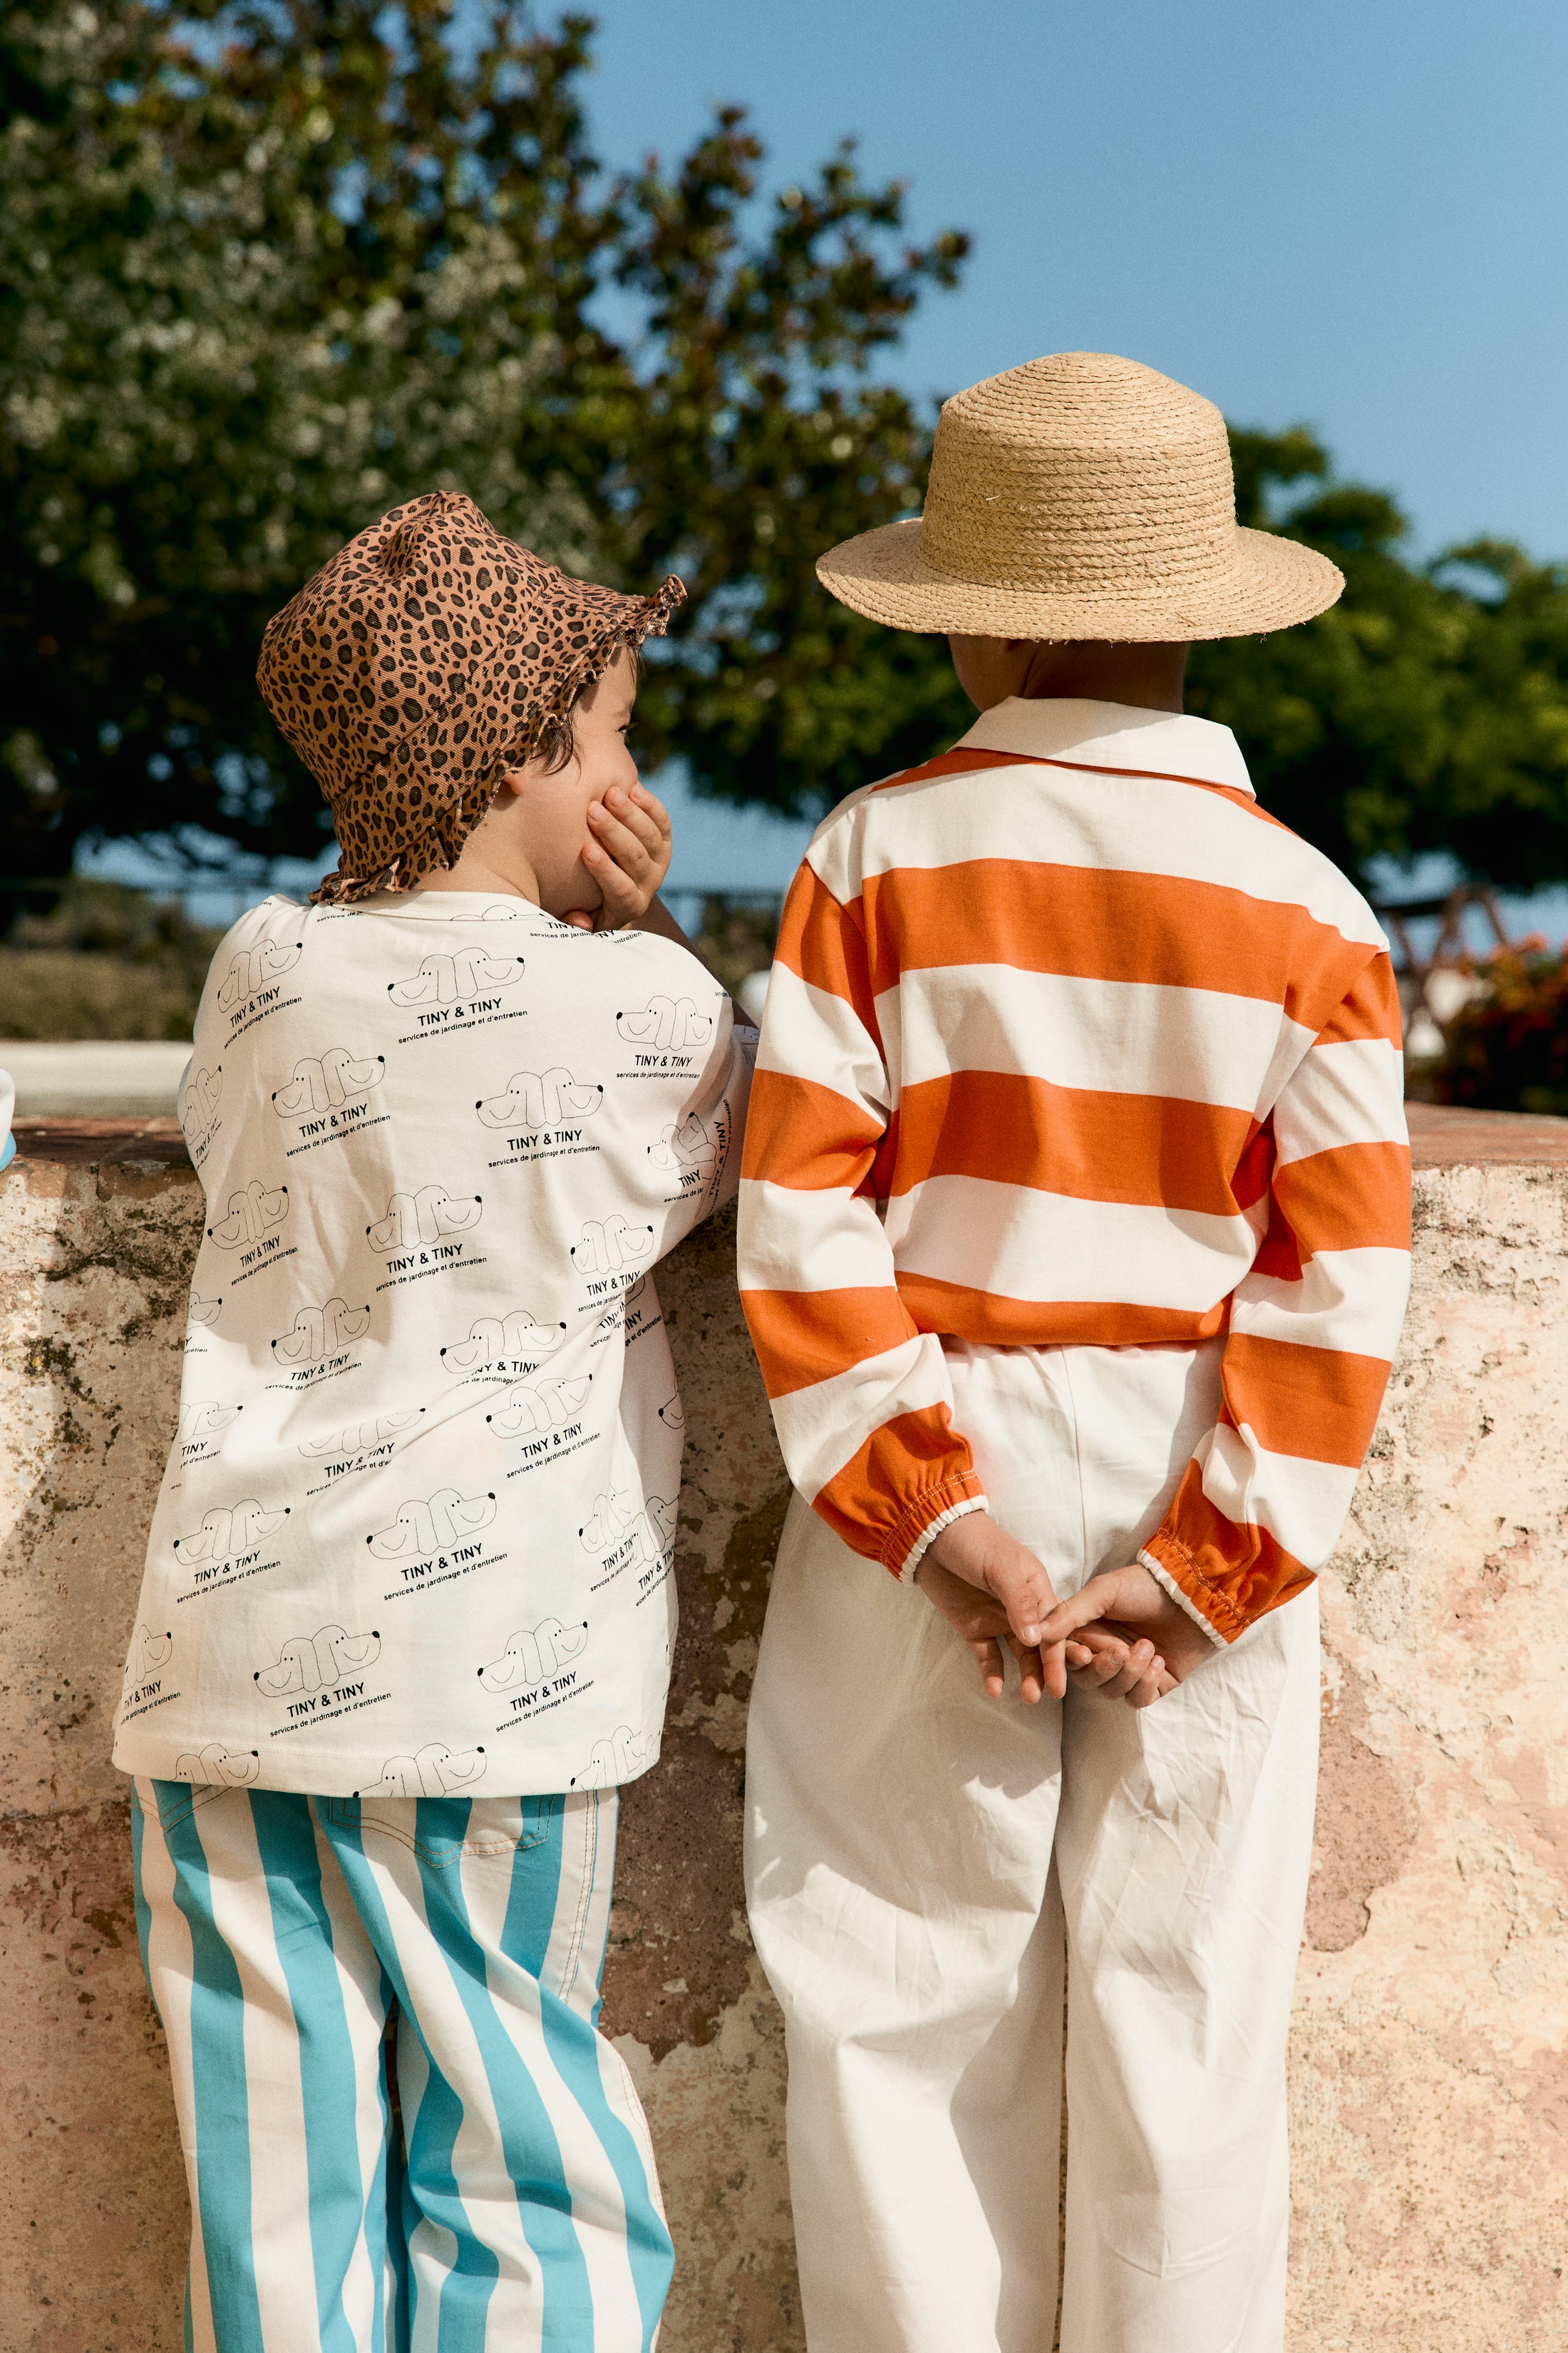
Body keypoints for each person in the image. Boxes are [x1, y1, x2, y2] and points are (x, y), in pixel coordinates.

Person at [738, 353, 1411, 2353]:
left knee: (898, 1986)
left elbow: (800, 1213)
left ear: (988, 626)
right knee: (1188, 2011)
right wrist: (1215, 1561)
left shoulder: (872, 857)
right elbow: (1341, 1280)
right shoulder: (1312, 908)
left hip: (936, 1425)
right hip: (1203, 1443)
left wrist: (927, 1509)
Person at [113, 491, 754, 2353]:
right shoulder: (646, 1003)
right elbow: (736, 1140)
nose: (631, 780)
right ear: (530, 755)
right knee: (521, 2159)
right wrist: (634, 922)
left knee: (274, 2188)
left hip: (231, 1669)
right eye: (613, 737)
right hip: (505, 1680)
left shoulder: (260, 967)